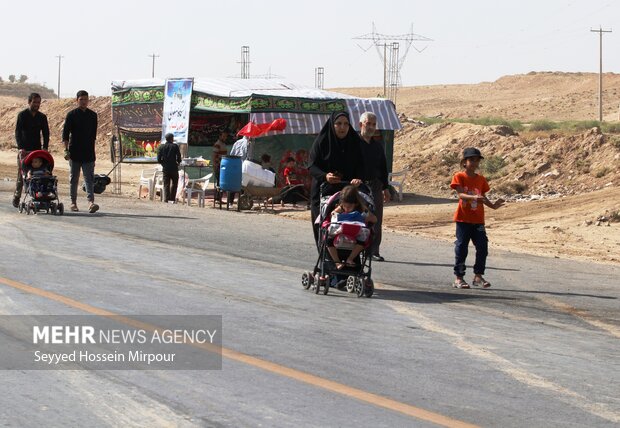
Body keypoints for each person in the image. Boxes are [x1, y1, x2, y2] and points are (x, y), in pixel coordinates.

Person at [450, 147, 505, 289]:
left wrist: (494, 205)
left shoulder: (481, 179)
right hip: (463, 219)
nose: (474, 163)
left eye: (477, 160)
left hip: (478, 219)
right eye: (471, 160)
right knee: (462, 247)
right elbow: (460, 195)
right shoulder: (459, 177)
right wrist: (474, 197)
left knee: (482, 247)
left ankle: (478, 276)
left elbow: (483, 197)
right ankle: (459, 277)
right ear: (464, 162)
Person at [308, 111, 365, 248]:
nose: (342, 127)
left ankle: (350, 261)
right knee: (323, 226)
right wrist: (325, 176)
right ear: (332, 125)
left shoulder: (355, 142)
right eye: (338, 124)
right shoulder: (322, 142)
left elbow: (362, 166)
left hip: (347, 192)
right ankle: (326, 260)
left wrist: (358, 178)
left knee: (351, 225)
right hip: (324, 190)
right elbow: (312, 165)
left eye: (346, 124)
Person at [359, 111, 390, 262]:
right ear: (361, 125)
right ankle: (356, 247)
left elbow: (383, 168)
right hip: (358, 187)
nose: (371, 127)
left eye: (373, 124)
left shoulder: (378, 147)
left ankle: (374, 250)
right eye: (368, 124)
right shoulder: (354, 144)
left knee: (376, 219)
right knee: (358, 217)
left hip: (375, 185)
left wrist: (385, 188)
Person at [62, 90, 99, 213]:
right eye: (81, 99)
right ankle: (73, 203)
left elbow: (93, 135)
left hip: (88, 152)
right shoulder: (71, 115)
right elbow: (65, 134)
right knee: (74, 178)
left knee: (89, 178)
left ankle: (91, 202)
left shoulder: (93, 115)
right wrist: (66, 150)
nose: (84, 102)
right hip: (75, 152)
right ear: (77, 100)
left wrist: (93, 153)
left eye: (85, 99)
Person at [326, 185, 377, 269]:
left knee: (362, 241)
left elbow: (374, 219)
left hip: (355, 232)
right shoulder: (341, 207)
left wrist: (367, 218)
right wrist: (335, 214)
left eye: (349, 207)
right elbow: (332, 214)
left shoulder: (361, 208)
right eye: (344, 206)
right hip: (341, 230)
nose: (346, 209)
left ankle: (350, 259)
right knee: (328, 240)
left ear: (355, 203)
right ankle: (337, 262)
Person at [13, 93, 50, 207]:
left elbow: (46, 133)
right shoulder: (22, 115)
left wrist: (45, 147)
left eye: (38, 102)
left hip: (36, 150)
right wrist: (20, 148)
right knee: (22, 173)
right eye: (34, 102)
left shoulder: (42, 117)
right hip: (24, 150)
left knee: (39, 173)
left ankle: (39, 195)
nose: (36, 105)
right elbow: (18, 132)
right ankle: (17, 195)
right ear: (29, 102)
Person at [157, 133, 182, 203]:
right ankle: (172, 199)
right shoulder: (175, 146)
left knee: (166, 184)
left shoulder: (161, 147)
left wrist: (163, 164)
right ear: (172, 138)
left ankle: (166, 199)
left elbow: (158, 159)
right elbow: (179, 157)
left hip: (166, 169)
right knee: (174, 183)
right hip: (174, 168)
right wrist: (178, 162)